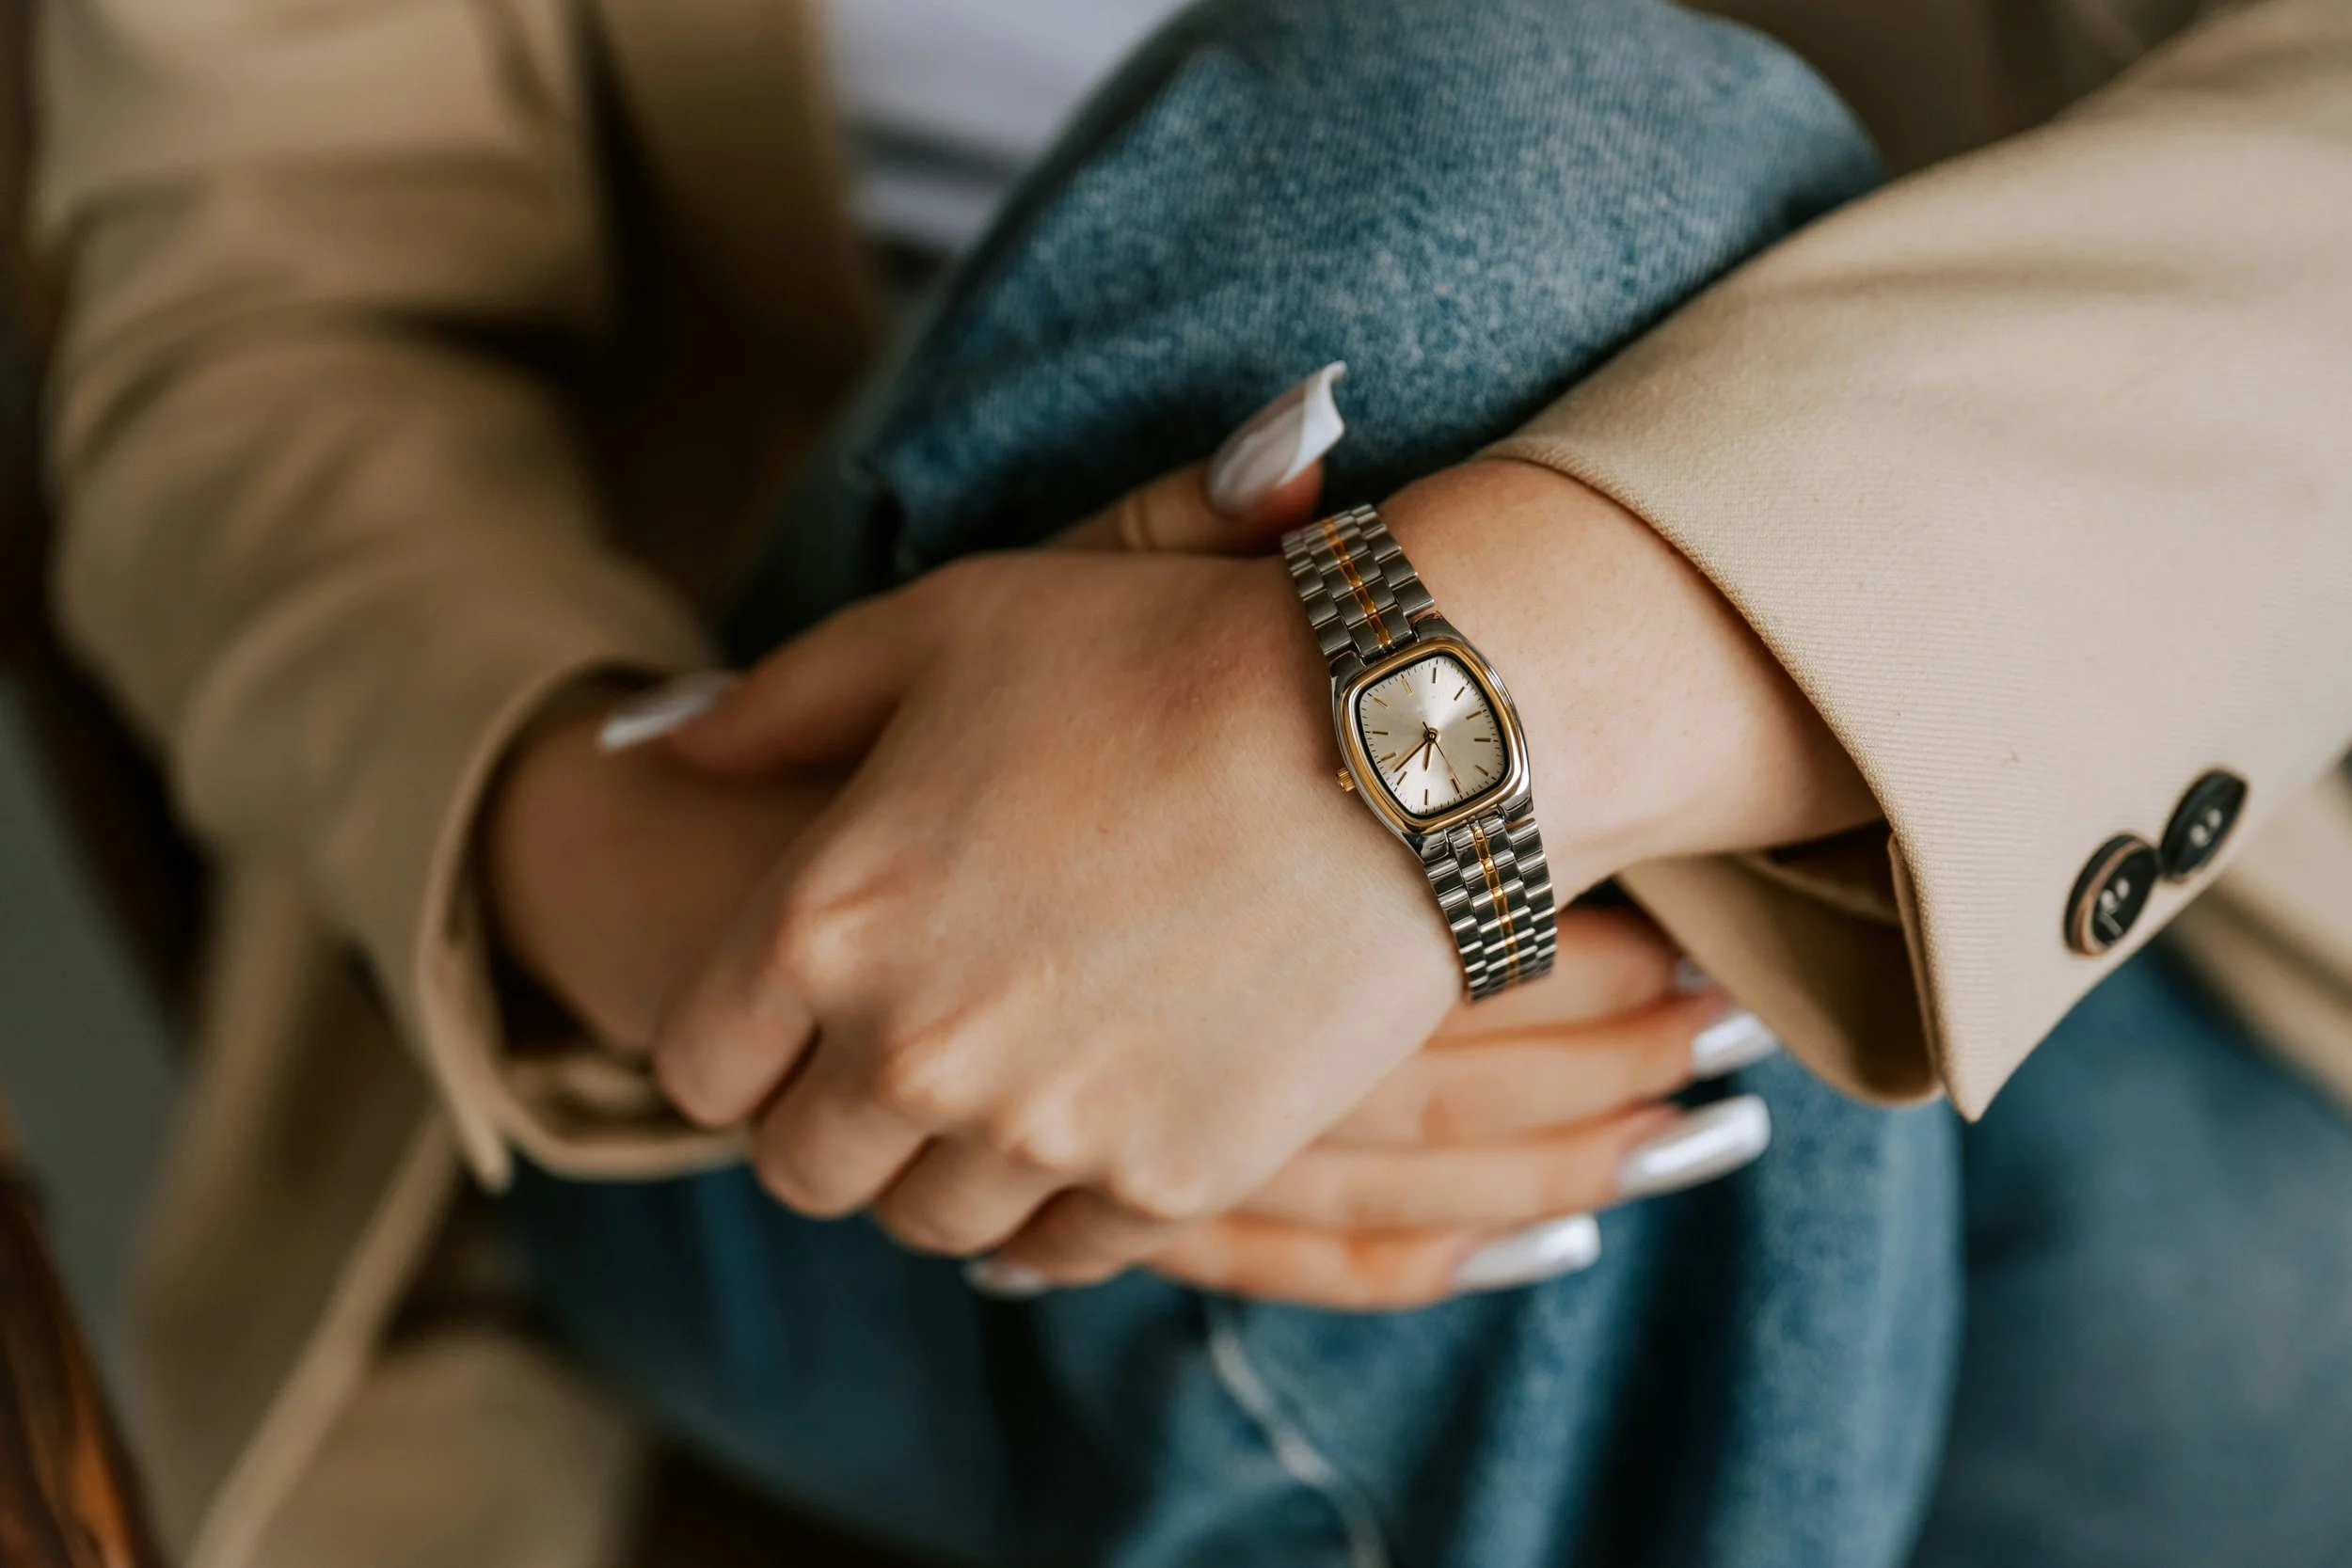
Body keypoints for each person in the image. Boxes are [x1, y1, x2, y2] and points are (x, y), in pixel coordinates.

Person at [32, 0, 2352, 1565]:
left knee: (1540, 173)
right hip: (812, 989)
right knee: (1481, 209)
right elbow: (242, 334)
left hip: (2135, 978)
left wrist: (1447, 738)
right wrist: (636, 847)